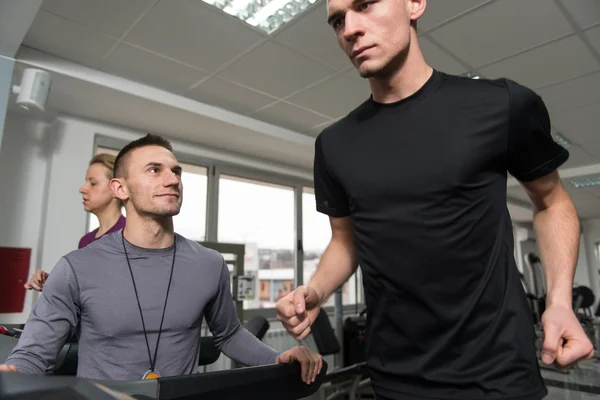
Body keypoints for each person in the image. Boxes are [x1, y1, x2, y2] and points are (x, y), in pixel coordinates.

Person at [276, 1, 594, 399]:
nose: (350, 29)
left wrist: (560, 301)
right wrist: (316, 292)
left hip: (497, 375)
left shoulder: (502, 104)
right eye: (338, 20)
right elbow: (346, 239)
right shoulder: (334, 145)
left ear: (414, 5)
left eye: (365, 5)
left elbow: (553, 203)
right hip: (395, 377)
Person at [2, 134, 322, 384]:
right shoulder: (75, 268)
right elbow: (33, 355)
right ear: (121, 188)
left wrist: (278, 357)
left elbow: (229, 334)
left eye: (176, 171)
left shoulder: (209, 264)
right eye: (155, 170)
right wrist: (13, 377)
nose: (172, 179)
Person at [24, 153, 126, 291]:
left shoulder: (129, 235)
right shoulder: (85, 241)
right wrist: (51, 282)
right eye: (86, 182)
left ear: (116, 189)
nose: (82, 189)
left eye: (93, 183)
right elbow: (84, 289)